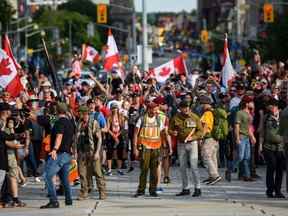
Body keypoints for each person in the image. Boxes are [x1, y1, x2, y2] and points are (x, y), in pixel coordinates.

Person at [40, 102, 75, 209]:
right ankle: (68, 199)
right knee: (64, 178)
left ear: (57, 111)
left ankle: (53, 201)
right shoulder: (70, 123)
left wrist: (54, 149)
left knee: (48, 175)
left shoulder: (59, 123)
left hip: (59, 154)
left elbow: (59, 137)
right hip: (67, 154)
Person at [169, 100, 203, 197]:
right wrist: (173, 133)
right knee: (182, 167)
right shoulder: (176, 117)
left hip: (192, 143)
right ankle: (185, 188)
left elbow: (200, 131)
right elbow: (169, 129)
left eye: (188, 107)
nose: (186, 109)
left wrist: (194, 137)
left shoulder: (195, 117)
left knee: (193, 166)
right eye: (184, 107)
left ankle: (198, 188)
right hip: (181, 144)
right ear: (180, 108)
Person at [133, 102, 164, 197]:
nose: (155, 112)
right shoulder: (142, 119)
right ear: (149, 109)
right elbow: (135, 134)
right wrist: (135, 148)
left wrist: (163, 147)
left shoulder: (159, 119)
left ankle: (153, 190)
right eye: (153, 110)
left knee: (154, 170)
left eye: (156, 110)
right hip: (145, 147)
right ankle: (141, 190)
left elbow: (162, 133)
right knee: (144, 169)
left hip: (156, 148)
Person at [76, 106, 106, 200]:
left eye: (81, 113)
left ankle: (102, 191)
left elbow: (99, 139)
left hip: (92, 150)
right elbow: (76, 138)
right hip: (82, 151)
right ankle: (84, 191)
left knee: (97, 172)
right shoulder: (79, 123)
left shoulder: (94, 123)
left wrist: (97, 152)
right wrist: (75, 151)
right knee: (82, 172)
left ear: (85, 113)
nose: (80, 115)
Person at [263, 99, 285, 198]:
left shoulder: (283, 117)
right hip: (268, 147)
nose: (268, 108)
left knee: (280, 170)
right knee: (271, 168)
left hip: (281, 148)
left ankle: (278, 191)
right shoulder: (266, 117)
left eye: (270, 106)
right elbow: (261, 131)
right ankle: (269, 190)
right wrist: (260, 146)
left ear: (275, 106)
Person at [200, 96, 222, 185]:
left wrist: (201, 137)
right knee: (213, 157)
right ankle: (212, 176)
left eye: (202, 104)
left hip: (209, 138)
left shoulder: (207, 113)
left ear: (206, 104)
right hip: (215, 138)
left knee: (206, 156)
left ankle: (215, 175)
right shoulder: (213, 112)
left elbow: (206, 126)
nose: (201, 106)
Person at [234, 96, 256, 182]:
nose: (252, 103)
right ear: (247, 103)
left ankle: (247, 175)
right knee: (241, 156)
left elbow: (249, 127)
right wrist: (237, 138)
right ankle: (230, 169)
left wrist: (252, 137)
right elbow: (237, 126)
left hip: (247, 137)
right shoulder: (239, 113)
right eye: (251, 102)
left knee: (247, 157)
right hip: (242, 136)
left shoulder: (250, 113)